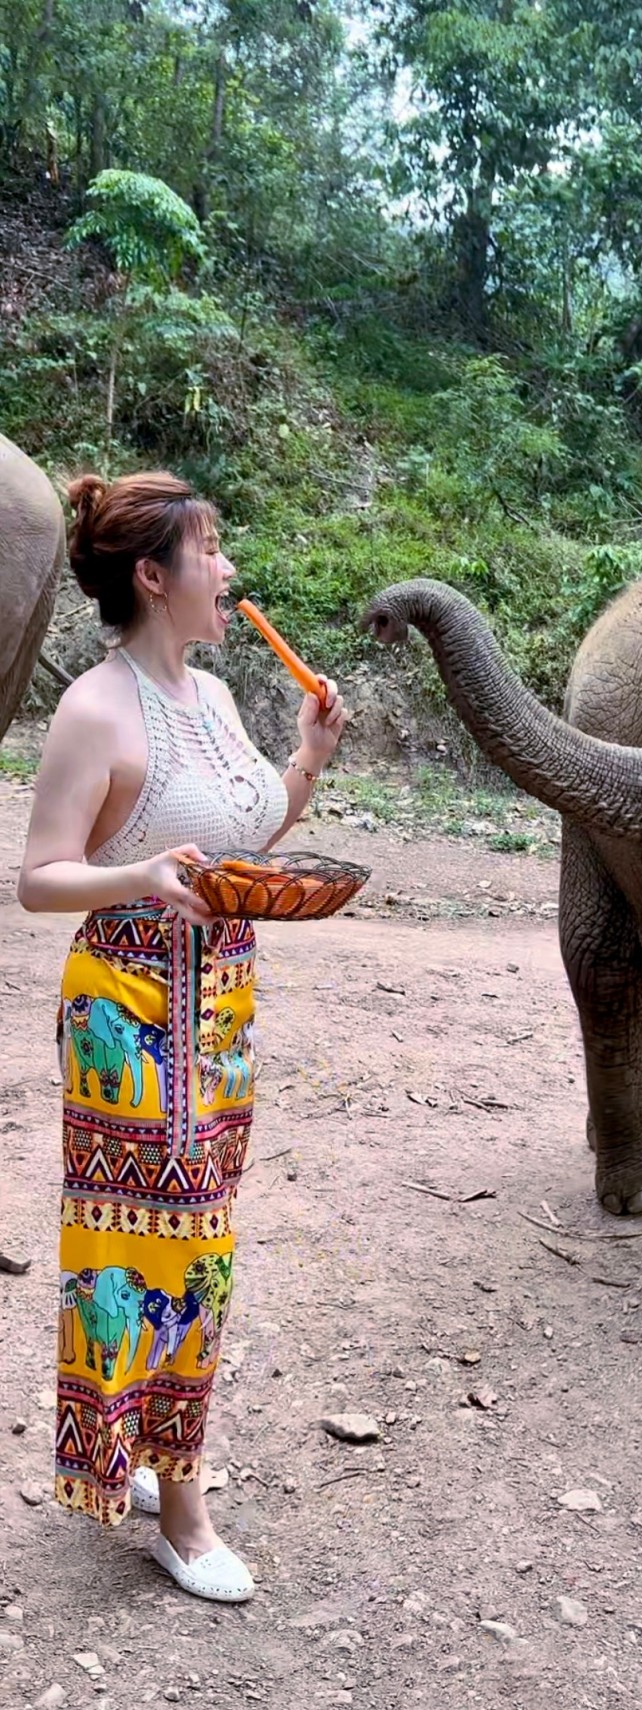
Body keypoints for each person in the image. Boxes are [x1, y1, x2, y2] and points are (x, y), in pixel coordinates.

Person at [17, 470, 347, 1602]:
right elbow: (39, 879)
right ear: (153, 576)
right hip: (129, 1007)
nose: (231, 572)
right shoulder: (93, 710)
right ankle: (181, 1506)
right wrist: (140, 876)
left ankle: (153, 1454)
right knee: (159, 1251)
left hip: (223, 1009)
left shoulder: (212, 700)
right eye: (212, 552)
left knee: (197, 1248)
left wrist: (302, 758)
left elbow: (251, 830)